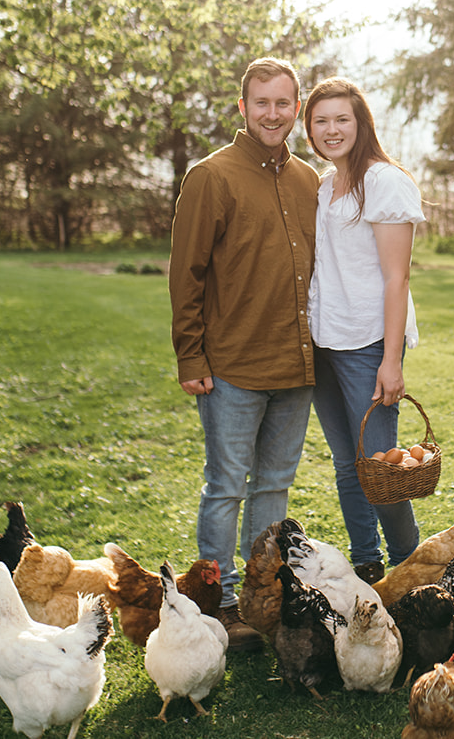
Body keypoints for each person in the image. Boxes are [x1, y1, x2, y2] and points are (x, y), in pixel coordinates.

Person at [168, 57, 318, 651]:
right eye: (262, 103)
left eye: (284, 103)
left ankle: (262, 595)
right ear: (243, 108)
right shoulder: (211, 177)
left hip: (297, 366)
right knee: (226, 486)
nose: (273, 114)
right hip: (232, 366)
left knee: (275, 487)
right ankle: (219, 602)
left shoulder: (309, 180)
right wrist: (190, 357)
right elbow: (187, 274)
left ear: (296, 109)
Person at [302, 76, 425, 584]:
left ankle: (412, 569)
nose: (331, 130)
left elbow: (398, 277)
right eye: (320, 120)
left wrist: (390, 360)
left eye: (341, 119)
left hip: (368, 343)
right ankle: (366, 563)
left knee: (381, 469)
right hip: (324, 341)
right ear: (308, 128)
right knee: (347, 464)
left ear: (361, 123)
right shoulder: (325, 184)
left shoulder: (384, 181)